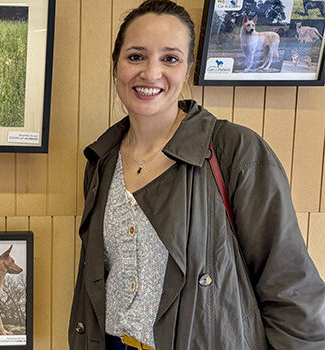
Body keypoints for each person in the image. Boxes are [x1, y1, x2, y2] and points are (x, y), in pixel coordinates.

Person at [68, 1, 325, 349]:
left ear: (188, 68)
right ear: (115, 65)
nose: (151, 72)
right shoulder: (102, 160)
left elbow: (292, 291)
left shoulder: (236, 151)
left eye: (170, 58)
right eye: (135, 56)